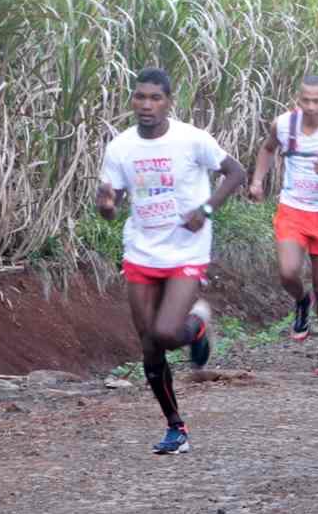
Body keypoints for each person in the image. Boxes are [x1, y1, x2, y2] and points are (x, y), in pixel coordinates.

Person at [97, 68, 247, 454]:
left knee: (165, 332)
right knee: (149, 346)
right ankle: (175, 427)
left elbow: (236, 172)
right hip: (142, 249)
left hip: (186, 249)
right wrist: (107, 205)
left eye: (155, 98)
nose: (146, 105)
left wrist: (207, 209)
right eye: (140, 97)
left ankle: (197, 325)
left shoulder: (191, 140)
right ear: (132, 100)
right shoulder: (121, 148)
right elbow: (110, 201)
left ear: (168, 102)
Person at [248, 74, 318, 377]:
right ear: (298, 99)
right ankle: (300, 300)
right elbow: (268, 149)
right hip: (293, 208)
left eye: (316, 101)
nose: (310, 106)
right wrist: (257, 180)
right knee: (287, 272)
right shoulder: (283, 124)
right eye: (305, 100)